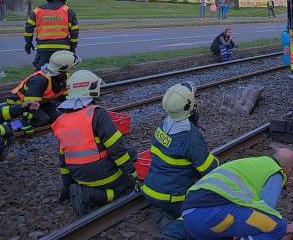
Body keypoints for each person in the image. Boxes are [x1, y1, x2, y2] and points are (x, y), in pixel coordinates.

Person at [52, 70, 138, 216]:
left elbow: (63, 160)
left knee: (131, 153)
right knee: (127, 187)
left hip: (79, 177)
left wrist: (67, 186)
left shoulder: (61, 121)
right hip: (102, 175)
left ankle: (83, 189)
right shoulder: (98, 114)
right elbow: (117, 149)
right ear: (92, 89)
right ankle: (89, 194)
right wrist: (132, 174)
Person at [143, 82, 219, 237]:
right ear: (190, 106)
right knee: (204, 212)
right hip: (172, 199)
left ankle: (163, 214)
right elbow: (210, 170)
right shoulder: (190, 136)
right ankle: (173, 232)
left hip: (150, 190)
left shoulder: (163, 125)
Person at [182, 148, 293, 240]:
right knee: (277, 227)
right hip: (212, 214)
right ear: (288, 170)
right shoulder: (276, 172)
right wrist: (284, 227)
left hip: (189, 217)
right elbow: (267, 209)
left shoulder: (256, 163)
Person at [1, 50, 79, 128]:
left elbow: (64, 98)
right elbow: (30, 106)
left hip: (40, 101)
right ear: (64, 68)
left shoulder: (63, 76)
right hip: (20, 103)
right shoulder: (39, 80)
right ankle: (10, 126)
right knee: (43, 119)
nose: (73, 68)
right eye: (72, 66)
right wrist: (26, 123)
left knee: (58, 116)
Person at [24, 0, 79, 70]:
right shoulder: (68, 11)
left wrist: (28, 42)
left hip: (43, 49)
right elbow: (74, 32)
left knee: (41, 73)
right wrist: (73, 48)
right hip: (62, 49)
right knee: (62, 73)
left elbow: (28, 27)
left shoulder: (38, 11)